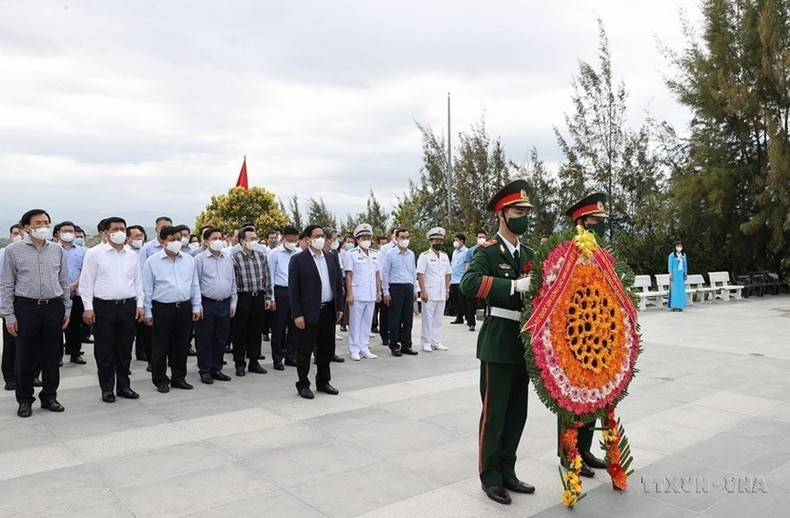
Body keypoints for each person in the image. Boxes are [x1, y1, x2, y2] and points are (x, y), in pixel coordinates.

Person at [459, 180, 537, 504]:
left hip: (525, 345)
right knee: (494, 414)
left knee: (518, 412)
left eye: (526, 212)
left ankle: (508, 470)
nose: (523, 217)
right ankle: (490, 476)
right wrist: (514, 286)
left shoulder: (531, 254)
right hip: (498, 341)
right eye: (518, 211)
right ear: (501, 214)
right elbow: (468, 284)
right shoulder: (487, 252)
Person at [556, 192, 612, 478]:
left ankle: (586, 448)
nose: (600, 225)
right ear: (581, 222)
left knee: (593, 394)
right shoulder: (567, 252)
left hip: (597, 332)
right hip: (572, 334)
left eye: (603, 220)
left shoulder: (601, 253)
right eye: (595, 220)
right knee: (572, 396)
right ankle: (569, 453)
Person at [1, 209, 72, 418]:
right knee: (24, 356)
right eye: (38, 223)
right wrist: (9, 316)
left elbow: (64, 281)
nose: (43, 226)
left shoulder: (57, 250)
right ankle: (24, 400)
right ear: (26, 227)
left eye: (46, 223)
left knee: (52, 355)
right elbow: (6, 285)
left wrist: (67, 309)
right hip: (26, 307)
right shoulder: (13, 251)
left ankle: (50, 396)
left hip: (53, 306)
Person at [80, 216, 144, 402]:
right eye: (115, 229)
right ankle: (107, 388)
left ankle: (124, 386)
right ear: (104, 233)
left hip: (127, 305)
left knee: (124, 350)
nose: (120, 233)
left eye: (123, 229)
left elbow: (138, 282)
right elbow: (86, 283)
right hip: (103, 307)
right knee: (105, 350)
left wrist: (139, 305)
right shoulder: (94, 253)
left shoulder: (131, 254)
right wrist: (88, 308)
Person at [142, 225, 201, 393]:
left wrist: (196, 306)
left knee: (181, 345)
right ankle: (160, 379)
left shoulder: (189, 259)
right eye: (172, 240)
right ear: (162, 242)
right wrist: (147, 311)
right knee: (161, 346)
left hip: (184, 307)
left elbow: (194, 284)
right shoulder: (152, 261)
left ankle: (179, 377)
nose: (177, 242)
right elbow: (147, 288)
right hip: (162, 308)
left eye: (178, 238)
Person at [288, 224, 345, 399]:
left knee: (326, 349)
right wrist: (297, 314)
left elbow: (337, 285)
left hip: (328, 310)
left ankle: (323, 381)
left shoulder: (331, 257)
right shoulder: (298, 260)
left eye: (322, 235)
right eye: (317, 235)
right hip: (308, 312)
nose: (321, 238)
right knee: (304, 351)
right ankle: (303, 384)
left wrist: (339, 307)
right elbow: (293, 290)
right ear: (307, 239)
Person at [194, 227, 237, 384]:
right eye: (214, 238)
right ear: (206, 241)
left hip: (224, 304)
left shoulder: (227, 258)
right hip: (207, 303)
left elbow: (232, 282)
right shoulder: (199, 259)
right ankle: (205, 370)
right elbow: (195, 284)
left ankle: (216, 368)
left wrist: (233, 302)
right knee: (205, 338)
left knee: (221, 338)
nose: (219, 241)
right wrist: (197, 305)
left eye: (220, 237)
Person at [230, 226, 272, 377]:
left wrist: (268, 296)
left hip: (258, 297)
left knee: (256, 330)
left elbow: (266, 277)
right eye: (251, 239)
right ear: (242, 241)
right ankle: (240, 363)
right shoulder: (234, 258)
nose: (254, 241)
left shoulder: (261, 255)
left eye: (256, 238)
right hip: (243, 297)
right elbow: (233, 282)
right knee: (240, 331)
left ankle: (254, 361)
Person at [342, 224, 381, 361]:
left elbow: (377, 275)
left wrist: (379, 292)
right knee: (355, 322)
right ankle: (354, 348)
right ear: (357, 239)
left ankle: (364, 347)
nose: (366, 240)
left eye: (368, 237)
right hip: (357, 293)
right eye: (363, 237)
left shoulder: (375, 254)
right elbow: (348, 275)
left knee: (367, 322)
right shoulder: (351, 254)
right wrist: (349, 293)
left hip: (370, 293)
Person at [267, 225, 301, 370]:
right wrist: (272, 298)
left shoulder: (299, 253)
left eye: (295, 240)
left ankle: (291, 356)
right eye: (289, 240)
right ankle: (277, 358)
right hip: (280, 292)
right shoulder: (274, 254)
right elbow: (270, 277)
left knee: (295, 326)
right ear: (283, 238)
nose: (292, 243)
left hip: (296, 293)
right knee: (278, 327)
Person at [381, 228, 419, 357]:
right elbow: (385, 274)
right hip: (395, 287)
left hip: (408, 287)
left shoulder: (411, 254)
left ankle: (406, 345)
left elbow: (413, 272)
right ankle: (394, 346)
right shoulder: (390, 254)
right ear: (396, 238)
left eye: (407, 237)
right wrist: (386, 291)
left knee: (408, 319)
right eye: (402, 237)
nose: (405, 240)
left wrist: (415, 289)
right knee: (395, 319)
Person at [55, 221, 88, 365]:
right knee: (57, 326)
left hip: (77, 293)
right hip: (57, 294)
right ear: (58, 233)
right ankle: (57, 356)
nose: (68, 233)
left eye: (71, 231)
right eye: (64, 231)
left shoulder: (83, 251)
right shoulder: (53, 249)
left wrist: (73, 285)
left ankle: (75, 353)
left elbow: (86, 272)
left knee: (75, 326)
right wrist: (63, 289)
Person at [417, 227, 452, 352]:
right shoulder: (424, 256)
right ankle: (426, 341)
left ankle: (436, 341)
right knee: (427, 318)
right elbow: (420, 274)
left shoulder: (444, 256)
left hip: (441, 291)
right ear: (430, 242)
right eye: (436, 240)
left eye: (440, 240)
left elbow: (448, 274)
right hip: (429, 291)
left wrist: (447, 290)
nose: (439, 243)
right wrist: (423, 291)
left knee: (438, 318)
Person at [1, 224, 25, 391]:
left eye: (21, 233)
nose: (18, 236)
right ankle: (10, 377)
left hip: (29, 304)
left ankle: (31, 374)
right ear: (10, 235)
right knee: (11, 343)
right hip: (10, 302)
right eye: (15, 233)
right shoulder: (3, 254)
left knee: (31, 343)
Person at [450, 233, 475, 331]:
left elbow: (467, 264)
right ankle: (459, 316)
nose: (455, 242)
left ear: (462, 241)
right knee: (456, 300)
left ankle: (468, 318)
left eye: (457, 240)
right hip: (453, 279)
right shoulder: (454, 252)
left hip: (461, 279)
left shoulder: (466, 251)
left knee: (464, 301)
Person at [668, 241, 688, 311]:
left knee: (681, 290)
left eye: (680, 246)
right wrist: (670, 274)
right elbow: (670, 265)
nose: (679, 247)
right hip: (675, 273)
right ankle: (674, 305)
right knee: (675, 289)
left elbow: (685, 265)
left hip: (681, 273)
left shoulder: (683, 255)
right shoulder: (672, 255)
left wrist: (685, 273)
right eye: (678, 246)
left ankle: (680, 305)